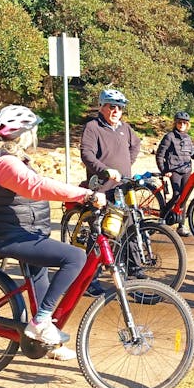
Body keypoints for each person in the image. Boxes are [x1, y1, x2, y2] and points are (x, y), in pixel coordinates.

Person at [0, 105, 106, 361]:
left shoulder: (11, 157)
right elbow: (35, 187)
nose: (35, 135)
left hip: (25, 232)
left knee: (42, 284)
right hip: (9, 236)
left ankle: (49, 342)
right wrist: (83, 194)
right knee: (74, 258)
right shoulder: (4, 162)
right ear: (24, 134)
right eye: (33, 130)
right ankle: (39, 323)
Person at [80, 88, 143, 295]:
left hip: (123, 185)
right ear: (102, 107)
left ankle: (134, 270)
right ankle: (89, 280)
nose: (116, 110)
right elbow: (86, 154)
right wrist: (104, 170)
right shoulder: (93, 127)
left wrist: (127, 164)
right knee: (101, 232)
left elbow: (135, 146)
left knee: (130, 225)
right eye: (112, 106)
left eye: (120, 107)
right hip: (101, 187)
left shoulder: (125, 128)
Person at [155, 111, 194, 236]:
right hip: (174, 171)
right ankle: (163, 219)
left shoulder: (187, 137)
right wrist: (164, 170)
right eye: (179, 122)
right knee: (177, 195)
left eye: (184, 123)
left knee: (185, 197)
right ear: (175, 123)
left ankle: (181, 226)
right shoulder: (169, 137)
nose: (182, 125)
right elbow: (160, 155)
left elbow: (190, 153)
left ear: (187, 125)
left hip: (186, 169)